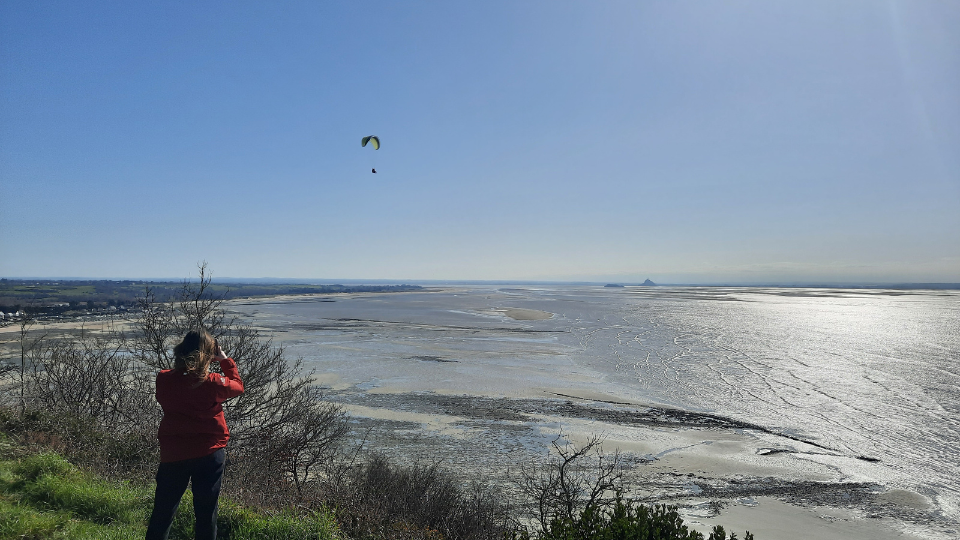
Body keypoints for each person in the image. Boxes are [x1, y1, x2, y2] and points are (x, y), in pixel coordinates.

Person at [145, 329, 244, 540]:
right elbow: (238, 387)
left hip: (174, 453)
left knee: (163, 510)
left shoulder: (164, 378)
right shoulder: (213, 382)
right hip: (209, 452)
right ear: (208, 355)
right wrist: (225, 361)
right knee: (206, 513)